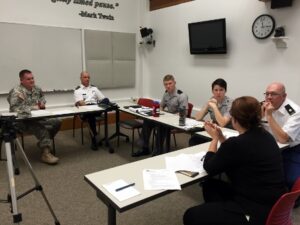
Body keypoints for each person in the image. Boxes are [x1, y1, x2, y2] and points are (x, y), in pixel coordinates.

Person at [183, 96, 287, 225]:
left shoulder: (237, 143)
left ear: (235, 120)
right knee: (210, 186)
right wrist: (221, 137)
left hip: (255, 209)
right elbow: (236, 152)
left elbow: (209, 166)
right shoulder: (267, 136)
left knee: (191, 215)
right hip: (273, 201)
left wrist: (214, 139)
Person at [7, 69, 61, 165]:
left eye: (32, 78)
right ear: (22, 80)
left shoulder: (37, 89)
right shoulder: (16, 91)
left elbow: (42, 99)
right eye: (28, 79)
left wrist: (42, 104)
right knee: (41, 128)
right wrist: (33, 108)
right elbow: (14, 108)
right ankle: (46, 153)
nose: (32, 80)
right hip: (23, 120)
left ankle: (44, 144)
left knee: (57, 121)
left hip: (37, 117)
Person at [132, 74, 188, 157]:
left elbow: (184, 113)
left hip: (177, 121)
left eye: (170, 83)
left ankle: (158, 151)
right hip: (166, 118)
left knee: (162, 126)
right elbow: (161, 106)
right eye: (166, 84)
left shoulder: (182, 96)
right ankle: (144, 148)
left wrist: (169, 117)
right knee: (148, 120)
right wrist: (158, 113)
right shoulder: (166, 94)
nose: (168, 86)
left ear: (174, 83)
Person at [261, 82, 300, 192]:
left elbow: (283, 139)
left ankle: (292, 199)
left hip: (292, 149)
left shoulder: (295, 111)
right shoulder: (264, 106)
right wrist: (260, 114)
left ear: (284, 96)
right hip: (271, 145)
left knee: (290, 179)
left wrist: (269, 115)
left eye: (273, 94)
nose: (268, 97)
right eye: (267, 94)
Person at [189, 78, 232, 146]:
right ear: (212, 91)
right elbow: (197, 118)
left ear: (225, 91)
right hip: (215, 129)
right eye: (216, 90)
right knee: (194, 139)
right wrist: (207, 105)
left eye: (221, 90)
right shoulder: (211, 100)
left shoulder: (230, 103)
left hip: (227, 131)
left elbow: (222, 123)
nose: (218, 92)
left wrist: (214, 107)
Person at [74, 71, 106, 150]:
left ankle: (96, 137)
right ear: (81, 78)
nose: (87, 79)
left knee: (106, 101)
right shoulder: (78, 90)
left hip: (96, 108)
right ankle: (94, 139)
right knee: (91, 115)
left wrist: (101, 104)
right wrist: (92, 108)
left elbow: (103, 98)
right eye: (85, 77)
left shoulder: (94, 88)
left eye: (88, 77)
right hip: (84, 111)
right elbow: (81, 104)